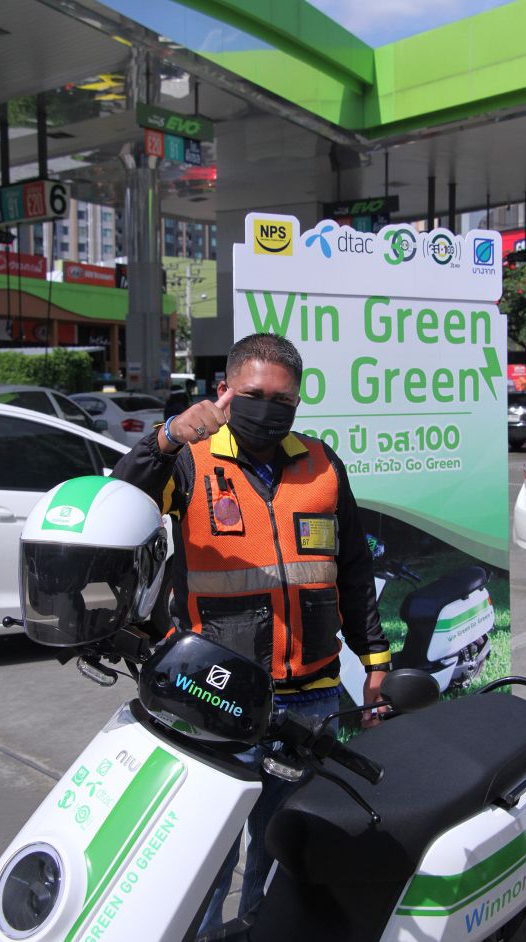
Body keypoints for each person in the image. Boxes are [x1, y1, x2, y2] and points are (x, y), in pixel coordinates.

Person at [112, 332, 390, 933]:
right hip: (214, 695)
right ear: (225, 391)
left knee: (284, 849)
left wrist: (374, 660)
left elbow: (352, 569)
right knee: (206, 859)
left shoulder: (321, 464)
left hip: (311, 698)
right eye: (255, 395)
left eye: (283, 399)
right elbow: (121, 502)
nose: (269, 408)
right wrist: (166, 437)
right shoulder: (190, 459)